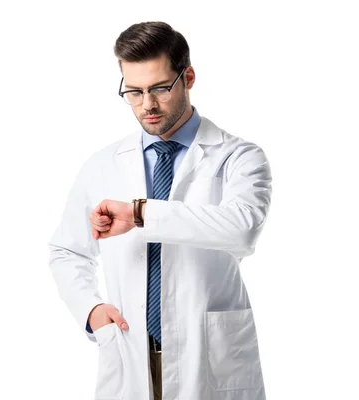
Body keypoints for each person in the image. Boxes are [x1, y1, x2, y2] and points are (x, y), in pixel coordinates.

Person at [47, 21, 272, 400]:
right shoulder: (103, 164)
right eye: (133, 92)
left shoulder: (239, 157)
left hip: (209, 357)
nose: (147, 105)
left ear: (188, 77)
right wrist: (91, 309)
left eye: (160, 89)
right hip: (129, 349)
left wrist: (140, 214)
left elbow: (241, 228)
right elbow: (66, 250)